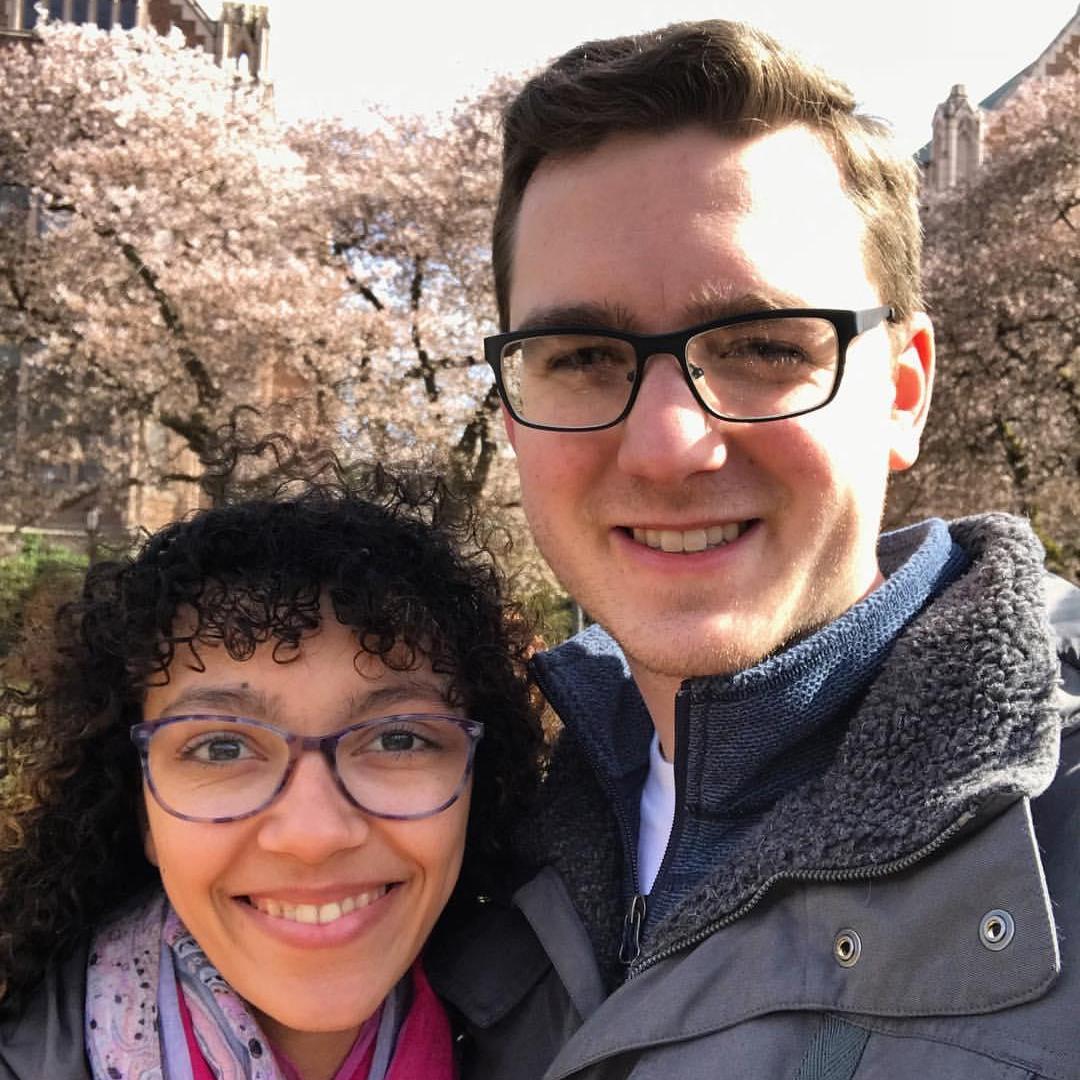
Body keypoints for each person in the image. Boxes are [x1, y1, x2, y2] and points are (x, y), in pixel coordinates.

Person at [425, 19, 1080, 1079]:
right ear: (509, 409)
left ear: (904, 390)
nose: (669, 446)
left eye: (765, 347)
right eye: (583, 357)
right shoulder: (449, 839)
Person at [0, 470, 542, 1080]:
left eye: (397, 738)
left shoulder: (577, 1043)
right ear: (140, 803)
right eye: (223, 747)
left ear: (477, 785)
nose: (314, 836)